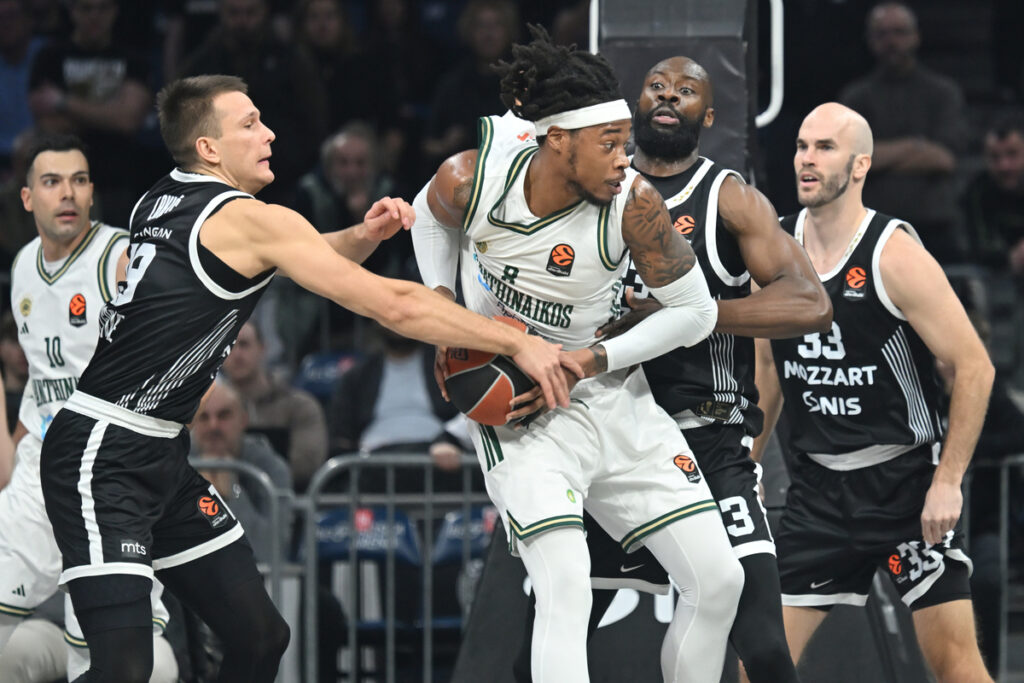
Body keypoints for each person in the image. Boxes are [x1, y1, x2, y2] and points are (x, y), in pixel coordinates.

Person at [36, 73, 573, 683]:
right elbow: (393, 305)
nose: (268, 133)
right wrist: (515, 339)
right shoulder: (242, 217)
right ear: (210, 149)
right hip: (101, 452)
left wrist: (362, 237)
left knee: (261, 637)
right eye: (248, 124)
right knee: (127, 669)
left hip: (159, 453)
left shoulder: (163, 196)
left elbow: (291, 256)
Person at [411, 28, 744, 683]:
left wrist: (590, 359)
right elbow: (429, 218)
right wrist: (444, 311)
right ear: (557, 141)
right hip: (524, 413)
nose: (628, 157)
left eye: (627, 141)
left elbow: (697, 311)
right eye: (612, 144)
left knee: (718, 578)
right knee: (565, 586)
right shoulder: (474, 176)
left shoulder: (635, 207)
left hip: (610, 392)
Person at [513, 56, 832, 683]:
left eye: (686, 92)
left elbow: (811, 303)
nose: (667, 96)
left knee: (762, 640)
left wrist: (690, 315)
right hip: (611, 435)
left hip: (707, 440)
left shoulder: (729, 197)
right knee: (551, 627)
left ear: (707, 117)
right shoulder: (599, 192)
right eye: (656, 86)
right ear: (634, 106)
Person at [753, 102, 995, 681]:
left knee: (957, 666)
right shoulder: (776, 249)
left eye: (825, 148)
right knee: (756, 664)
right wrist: (749, 464)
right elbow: (767, 366)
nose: (807, 159)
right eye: (801, 147)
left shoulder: (893, 254)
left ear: (860, 165)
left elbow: (974, 367)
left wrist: (947, 482)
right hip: (817, 495)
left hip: (904, 488)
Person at [0, 133, 175, 681]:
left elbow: (174, 342)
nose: (67, 194)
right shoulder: (25, 265)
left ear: (93, 192)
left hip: (106, 476)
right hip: (40, 471)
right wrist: (25, 434)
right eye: (51, 182)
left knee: (104, 646)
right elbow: (42, 375)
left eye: (78, 180)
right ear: (28, 198)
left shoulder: (119, 256)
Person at [838, 2, 968, 265]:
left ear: (915, 36)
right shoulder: (854, 97)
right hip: (871, 225)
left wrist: (879, 155)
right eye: (882, 34)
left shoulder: (943, 93)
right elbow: (850, 162)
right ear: (870, 41)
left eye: (899, 32)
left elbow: (944, 159)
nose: (891, 41)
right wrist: (916, 147)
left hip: (934, 225)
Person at [28, 0, 152, 226]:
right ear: (71, 10)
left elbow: (128, 120)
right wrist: (108, 114)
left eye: (103, 8)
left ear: (115, 11)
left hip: (119, 174)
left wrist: (62, 101)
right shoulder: (49, 57)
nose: (95, 16)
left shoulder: (134, 59)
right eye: (86, 8)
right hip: (62, 171)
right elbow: (48, 122)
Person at [220, 320, 327, 491]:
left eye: (244, 345)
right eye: (229, 346)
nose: (237, 354)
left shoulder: (300, 406)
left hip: (288, 501)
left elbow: (308, 463)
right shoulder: (208, 409)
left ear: (262, 348)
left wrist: (243, 470)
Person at [960, 112, 1024, 270]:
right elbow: (979, 246)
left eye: (1012, 154)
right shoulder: (977, 192)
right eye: (995, 157)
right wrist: (1011, 257)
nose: (1004, 165)